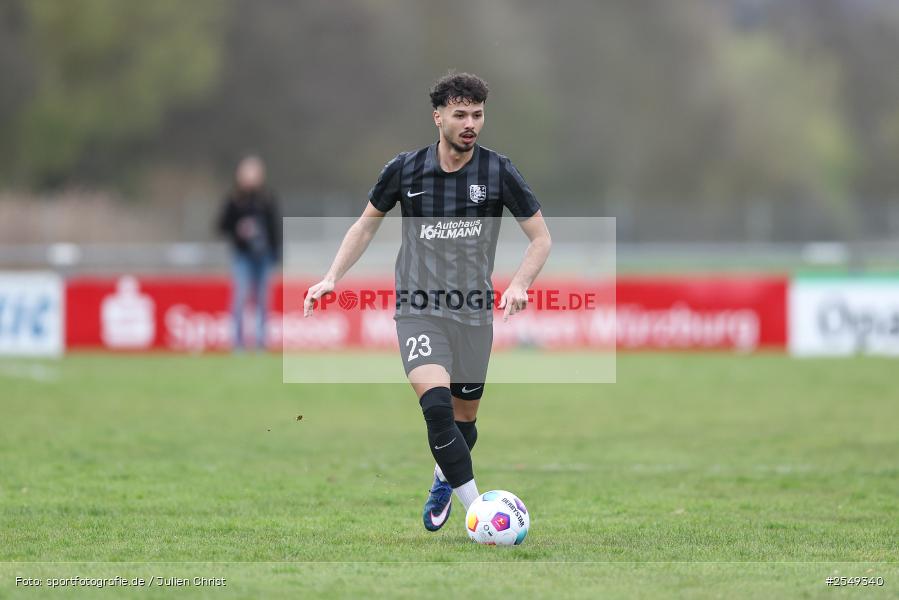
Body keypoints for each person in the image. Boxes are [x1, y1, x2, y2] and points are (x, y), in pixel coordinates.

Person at [304, 72, 551, 531]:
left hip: (474, 313)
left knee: (464, 419)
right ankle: (479, 512)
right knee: (436, 409)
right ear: (438, 117)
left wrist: (519, 283)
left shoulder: (499, 171)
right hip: (418, 308)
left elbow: (540, 238)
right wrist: (331, 277)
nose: (470, 123)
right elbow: (365, 226)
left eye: (477, 115)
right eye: (460, 114)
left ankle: (444, 477)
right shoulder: (404, 169)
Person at [218, 155, 281, 351]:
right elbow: (221, 226)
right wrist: (238, 229)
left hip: (264, 257)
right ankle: (237, 343)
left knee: (263, 300)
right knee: (240, 297)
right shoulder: (234, 200)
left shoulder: (267, 198)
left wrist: (276, 253)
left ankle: (261, 343)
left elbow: (275, 228)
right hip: (243, 256)